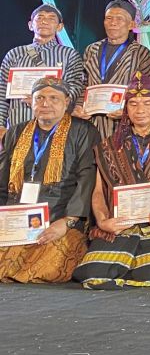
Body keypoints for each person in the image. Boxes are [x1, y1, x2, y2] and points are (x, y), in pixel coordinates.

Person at [73, 71, 150, 288]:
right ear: (125, 108)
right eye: (133, 104)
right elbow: (97, 191)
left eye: (148, 103)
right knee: (93, 273)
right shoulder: (108, 145)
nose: (140, 110)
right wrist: (103, 221)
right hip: (120, 223)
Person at [0, 77, 99, 282]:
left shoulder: (83, 131)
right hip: (17, 217)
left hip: (60, 217)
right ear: (31, 102)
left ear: (67, 102)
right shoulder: (16, 132)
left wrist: (68, 221)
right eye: (40, 98)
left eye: (54, 98)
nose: (46, 104)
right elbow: (3, 179)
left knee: (48, 264)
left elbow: (86, 178)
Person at [0, 4, 85, 138]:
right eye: (39, 18)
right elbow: (2, 91)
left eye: (51, 18)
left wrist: (47, 100)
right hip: (19, 123)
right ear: (30, 25)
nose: (44, 21)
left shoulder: (69, 54)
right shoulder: (14, 54)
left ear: (60, 27)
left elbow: (74, 87)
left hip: (55, 126)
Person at [80, 0, 150, 140]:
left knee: (119, 160)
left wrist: (128, 111)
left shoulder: (140, 52)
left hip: (124, 126)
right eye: (109, 18)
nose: (113, 23)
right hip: (91, 123)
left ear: (131, 25)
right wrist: (79, 107)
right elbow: (83, 83)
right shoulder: (91, 49)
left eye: (119, 19)